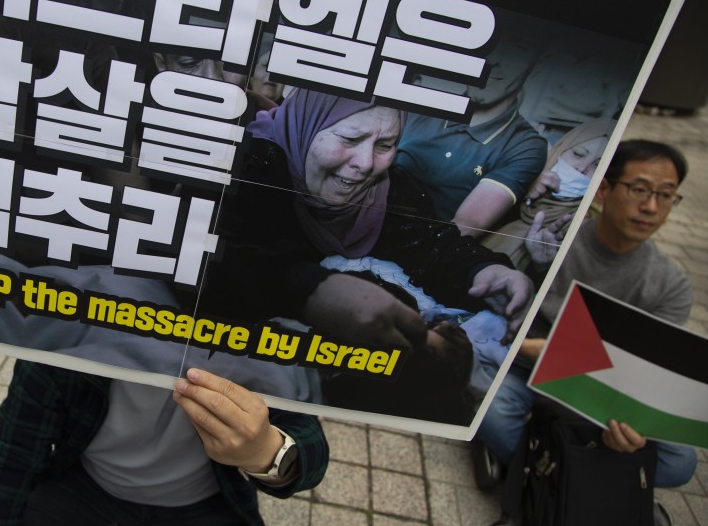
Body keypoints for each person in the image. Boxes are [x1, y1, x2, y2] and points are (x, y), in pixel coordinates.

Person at [194, 89, 534, 421]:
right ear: (308, 122)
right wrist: (311, 289)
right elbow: (210, 259)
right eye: (349, 138)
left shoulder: (392, 188)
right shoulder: (242, 167)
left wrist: (482, 268)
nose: (366, 163)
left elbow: (431, 241)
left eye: (385, 145)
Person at [474, 140, 697, 506]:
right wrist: (532, 348)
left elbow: (648, 374)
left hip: (602, 398)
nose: (651, 207)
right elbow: (499, 319)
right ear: (605, 188)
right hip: (528, 373)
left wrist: (633, 426)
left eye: (666, 195)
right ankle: (601, 493)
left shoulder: (671, 284)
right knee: (489, 403)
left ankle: (540, 479)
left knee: (680, 462)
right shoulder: (556, 238)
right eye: (639, 189)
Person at [0, 363, 328, 526]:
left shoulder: (264, 320)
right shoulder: (71, 307)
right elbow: (10, 462)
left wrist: (267, 452)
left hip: (210, 508)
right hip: (83, 487)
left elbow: (309, 445)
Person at [394, 37, 548, 236]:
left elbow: (466, 225)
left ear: (535, 64)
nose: (494, 60)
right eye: (486, 46)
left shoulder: (524, 145)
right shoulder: (421, 104)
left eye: (516, 49)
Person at [481, 118, 614, 272]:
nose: (582, 168)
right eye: (578, 154)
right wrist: (520, 191)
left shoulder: (586, 223)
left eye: (598, 165)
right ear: (561, 149)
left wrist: (542, 266)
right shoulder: (521, 176)